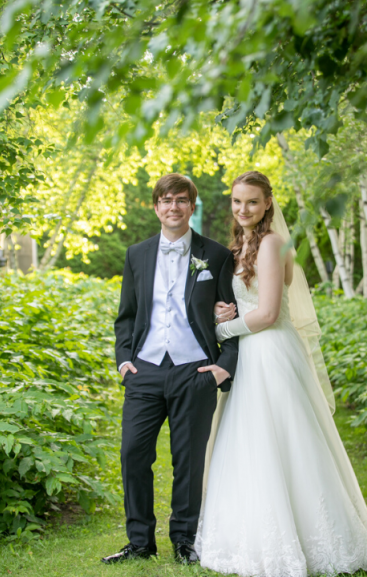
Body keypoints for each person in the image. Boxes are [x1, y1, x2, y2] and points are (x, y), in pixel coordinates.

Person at [195, 171, 367, 576]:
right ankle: (248, 533)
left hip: (269, 352)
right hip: (250, 351)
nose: (242, 209)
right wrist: (222, 310)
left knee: (283, 439)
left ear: (268, 203)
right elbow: (243, 301)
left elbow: (266, 313)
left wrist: (219, 329)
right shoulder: (242, 244)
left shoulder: (271, 243)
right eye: (236, 202)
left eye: (251, 201)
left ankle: (309, 537)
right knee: (248, 440)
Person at [105, 173, 239, 565]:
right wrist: (124, 361)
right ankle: (140, 542)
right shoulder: (137, 254)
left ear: (191, 207)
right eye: (166, 200)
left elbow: (232, 316)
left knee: (188, 459)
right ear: (156, 207)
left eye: (181, 200)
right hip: (144, 369)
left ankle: (184, 539)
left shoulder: (215, 255)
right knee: (133, 454)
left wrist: (222, 367)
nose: (173, 207)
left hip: (195, 369)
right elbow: (126, 316)